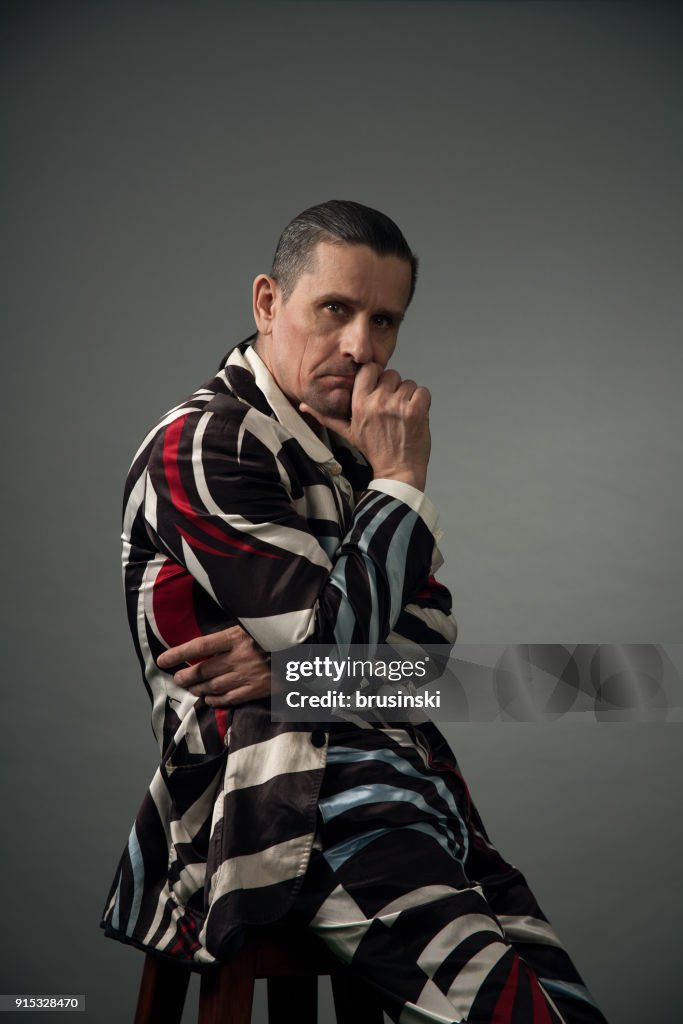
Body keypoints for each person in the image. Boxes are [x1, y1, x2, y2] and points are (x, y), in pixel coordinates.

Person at [101, 201, 608, 1023]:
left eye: (384, 321)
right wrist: (402, 481)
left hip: (413, 793)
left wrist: (283, 667)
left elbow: (427, 660)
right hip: (290, 808)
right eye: (334, 309)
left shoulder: (343, 454)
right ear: (268, 303)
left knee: (563, 1006)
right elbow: (337, 643)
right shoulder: (204, 442)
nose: (360, 348)